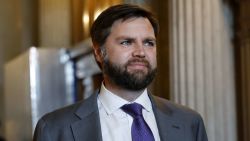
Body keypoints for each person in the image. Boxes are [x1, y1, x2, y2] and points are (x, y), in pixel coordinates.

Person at [33, 4, 208, 141]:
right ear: (99, 52)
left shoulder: (189, 122)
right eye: (126, 42)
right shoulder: (54, 129)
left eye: (148, 43)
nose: (140, 52)